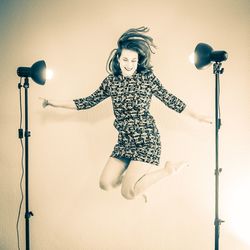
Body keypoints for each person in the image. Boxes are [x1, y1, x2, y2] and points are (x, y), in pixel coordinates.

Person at [41, 27, 211, 201]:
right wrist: (55, 103)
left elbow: (170, 99)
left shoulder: (147, 79)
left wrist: (196, 115)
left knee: (127, 193)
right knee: (105, 183)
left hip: (146, 140)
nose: (129, 64)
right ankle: (138, 184)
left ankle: (167, 171)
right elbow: (87, 102)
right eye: (125, 60)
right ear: (118, 59)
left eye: (133, 60)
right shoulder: (111, 82)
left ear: (138, 61)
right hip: (125, 141)